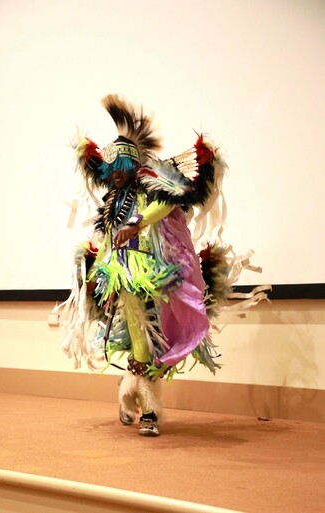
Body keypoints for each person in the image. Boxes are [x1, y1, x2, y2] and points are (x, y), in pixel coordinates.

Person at [61, 94, 266, 436]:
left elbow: (164, 203)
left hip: (153, 275)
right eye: (111, 173)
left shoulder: (147, 188)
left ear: (131, 169)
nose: (114, 178)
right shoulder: (114, 198)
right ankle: (141, 403)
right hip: (121, 278)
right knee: (137, 340)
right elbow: (110, 234)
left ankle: (140, 401)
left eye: (120, 171)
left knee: (155, 343)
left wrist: (137, 222)